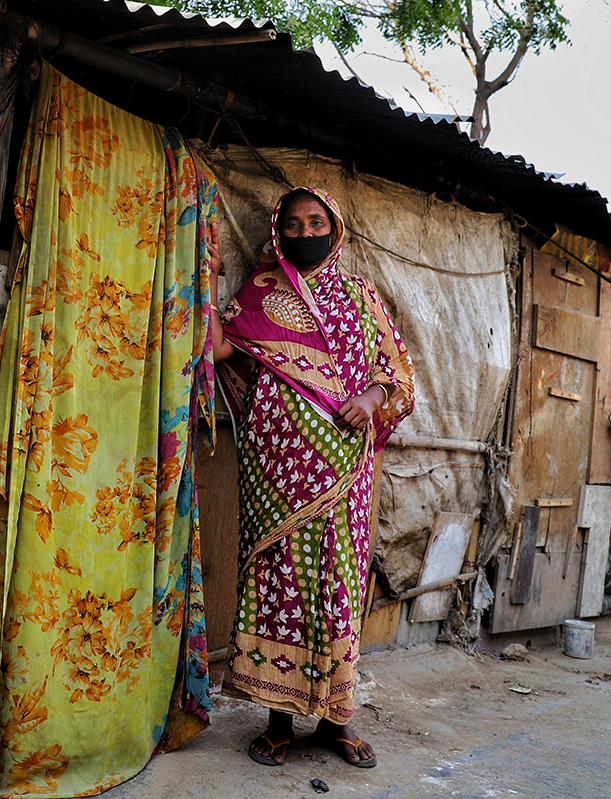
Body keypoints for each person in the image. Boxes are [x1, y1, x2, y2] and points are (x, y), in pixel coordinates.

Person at [206, 187, 415, 769]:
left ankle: (336, 721)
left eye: (315, 222)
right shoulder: (260, 291)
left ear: (334, 228)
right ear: (278, 230)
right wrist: (207, 276)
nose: (304, 232)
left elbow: (398, 374)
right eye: (293, 224)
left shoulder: (360, 297)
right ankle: (277, 720)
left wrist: (371, 398)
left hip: (344, 469)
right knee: (281, 586)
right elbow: (219, 348)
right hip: (273, 468)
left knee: (336, 587)